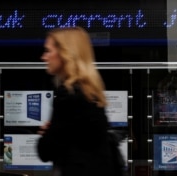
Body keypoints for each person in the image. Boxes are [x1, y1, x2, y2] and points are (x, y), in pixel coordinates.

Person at [37, 26, 125, 176]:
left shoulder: (68, 96)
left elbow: (46, 151)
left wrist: (47, 134)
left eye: (48, 51)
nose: (43, 57)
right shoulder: (92, 95)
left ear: (65, 53)